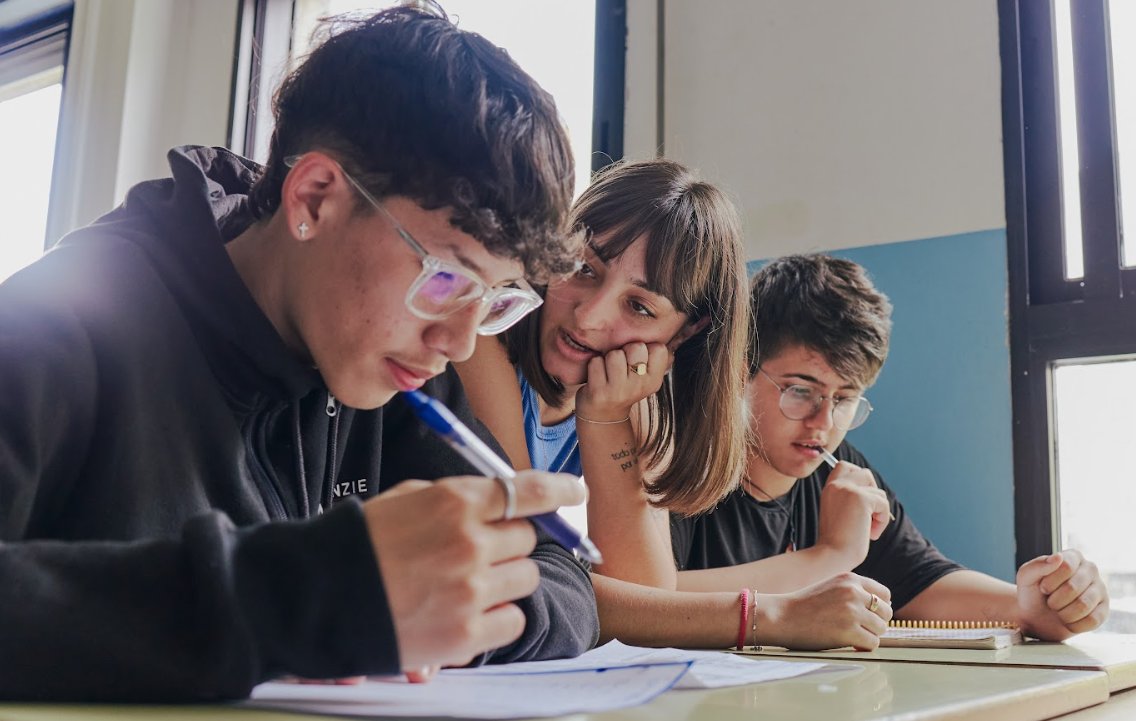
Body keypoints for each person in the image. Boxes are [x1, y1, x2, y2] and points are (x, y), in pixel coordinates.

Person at [0, 5, 599, 701]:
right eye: (446, 277)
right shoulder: (61, 320)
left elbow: (560, 569)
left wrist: (461, 607)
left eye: (498, 299)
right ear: (314, 197)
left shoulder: (402, 374)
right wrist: (300, 599)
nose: (460, 341)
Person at [672, 253, 1110, 642]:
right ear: (738, 374)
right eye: (800, 390)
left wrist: (1028, 607)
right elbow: (652, 602)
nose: (823, 423)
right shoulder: (682, 458)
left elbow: (921, 581)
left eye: (844, 399)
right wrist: (832, 555)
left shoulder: (839, 471)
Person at [455, 158, 751, 588]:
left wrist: (605, 418)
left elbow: (647, 591)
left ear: (686, 333)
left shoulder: (632, 399)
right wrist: (761, 616)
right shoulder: (484, 336)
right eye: (583, 269)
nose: (589, 316)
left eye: (639, 306)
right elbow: (522, 565)